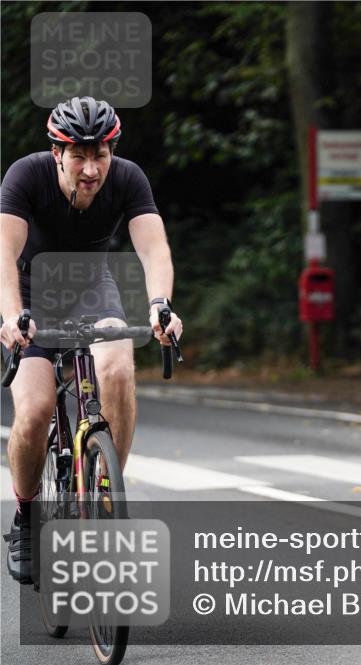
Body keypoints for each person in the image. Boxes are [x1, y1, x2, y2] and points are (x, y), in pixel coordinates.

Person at [1, 96, 183, 584]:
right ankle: (25, 516)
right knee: (35, 411)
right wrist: (12, 315)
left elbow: (154, 248)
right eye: (78, 156)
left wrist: (160, 305)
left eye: (99, 155)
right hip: (30, 295)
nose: (90, 169)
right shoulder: (25, 176)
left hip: (91, 289)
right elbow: (4, 252)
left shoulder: (128, 178)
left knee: (119, 368)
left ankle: (106, 494)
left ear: (111, 152)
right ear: (57, 154)